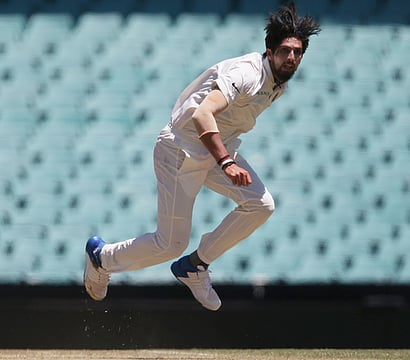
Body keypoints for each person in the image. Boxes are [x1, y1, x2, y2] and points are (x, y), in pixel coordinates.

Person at [84, 2, 321, 311]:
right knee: (171, 243)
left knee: (260, 205)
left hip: (213, 151)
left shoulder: (278, 85)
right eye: (284, 50)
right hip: (180, 150)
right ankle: (101, 258)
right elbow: (203, 113)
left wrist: (224, 156)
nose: (291, 57)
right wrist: (227, 162)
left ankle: (195, 265)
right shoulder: (248, 74)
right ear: (269, 50)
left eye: (297, 52)